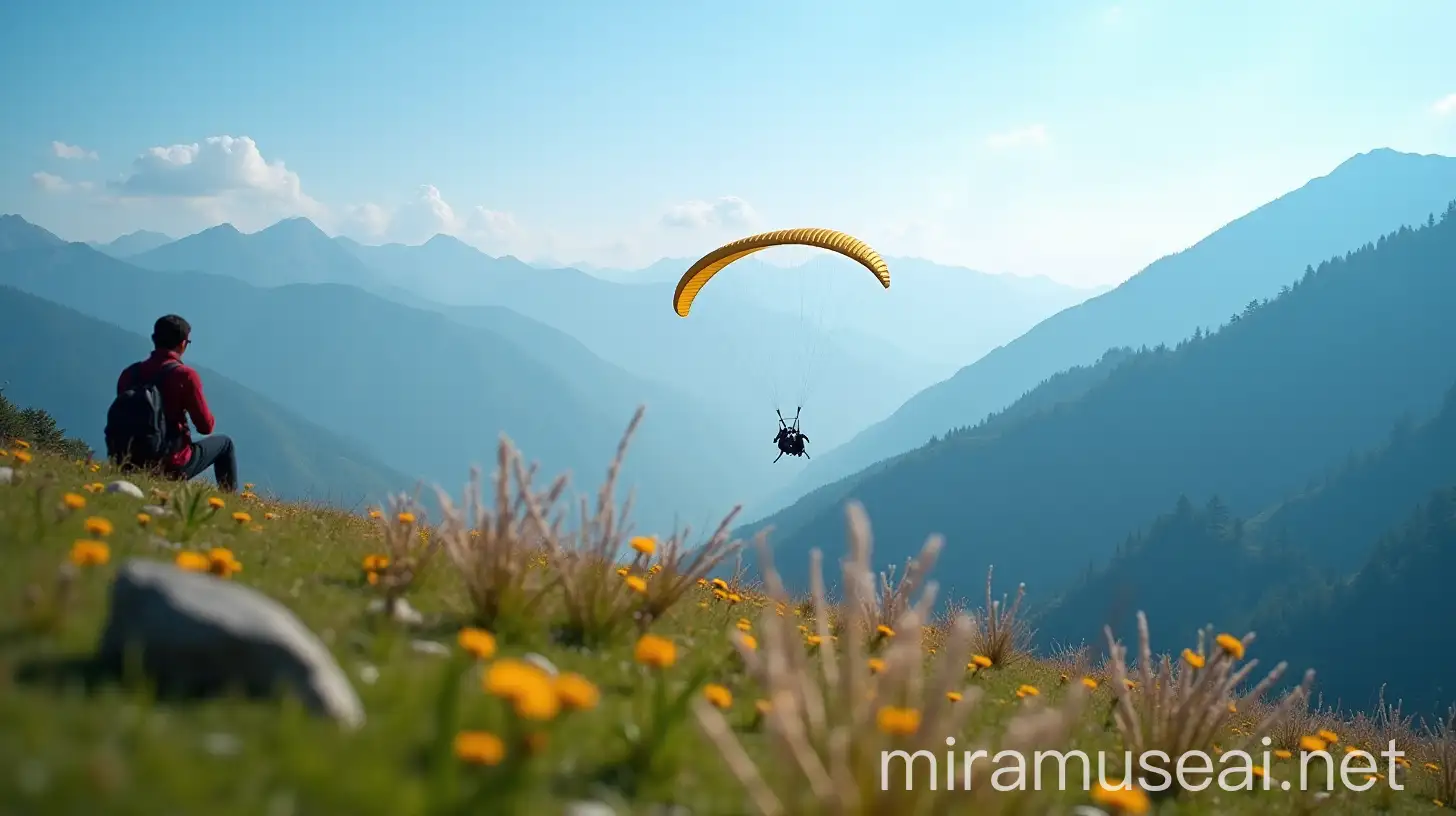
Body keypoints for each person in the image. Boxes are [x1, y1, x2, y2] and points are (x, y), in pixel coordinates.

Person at [108, 314, 238, 491]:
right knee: (225, 444)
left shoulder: (130, 373)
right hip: (171, 463)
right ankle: (229, 499)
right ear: (183, 344)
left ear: (154, 339)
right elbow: (205, 427)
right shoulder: (185, 376)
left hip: (128, 460)